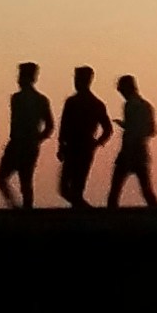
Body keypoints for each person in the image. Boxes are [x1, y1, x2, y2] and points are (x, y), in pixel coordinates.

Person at [0, 62, 54, 209]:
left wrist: (36, 139)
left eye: (21, 75)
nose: (18, 79)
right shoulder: (24, 98)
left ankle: (20, 208)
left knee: (18, 179)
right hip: (22, 143)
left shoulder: (27, 99)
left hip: (21, 144)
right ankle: (20, 207)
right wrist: (37, 139)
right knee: (22, 180)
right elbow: (49, 126)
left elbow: (49, 125)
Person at [55, 65, 112, 208]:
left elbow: (107, 129)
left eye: (78, 79)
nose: (76, 82)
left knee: (72, 188)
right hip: (79, 147)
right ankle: (83, 212)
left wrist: (96, 143)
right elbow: (64, 127)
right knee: (69, 189)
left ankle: (86, 214)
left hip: (81, 147)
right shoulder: (89, 103)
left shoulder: (87, 103)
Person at [107, 74, 157, 206]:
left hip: (130, 151)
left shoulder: (130, 105)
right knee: (146, 190)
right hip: (140, 151)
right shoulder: (146, 105)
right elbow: (151, 130)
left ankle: (109, 220)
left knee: (115, 191)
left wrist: (130, 129)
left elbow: (140, 130)